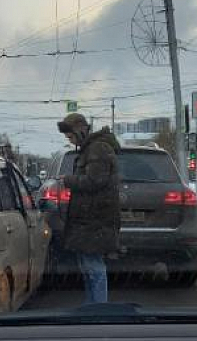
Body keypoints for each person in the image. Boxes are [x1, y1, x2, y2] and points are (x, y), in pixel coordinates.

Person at [57, 113, 121, 304]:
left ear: (80, 130)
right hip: (89, 218)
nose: (70, 140)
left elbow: (95, 180)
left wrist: (68, 180)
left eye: (71, 136)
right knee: (87, 264)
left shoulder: (97, 149)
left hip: (95, 218)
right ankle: (92, 305)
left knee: (93, 265)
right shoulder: (91, 148)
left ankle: (98, 308)